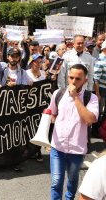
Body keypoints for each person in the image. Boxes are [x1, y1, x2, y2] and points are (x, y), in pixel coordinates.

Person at [48, 64, 99, 200]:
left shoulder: (91, 98)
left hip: (77, 149)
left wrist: (76, 97)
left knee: (72, 180)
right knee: (56, 181)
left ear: (85, 80)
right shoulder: (57, 93)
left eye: (78, 78)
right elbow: (52, 114)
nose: (73, 81)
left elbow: (90, 119)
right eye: (71, 77)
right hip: (57, 147)